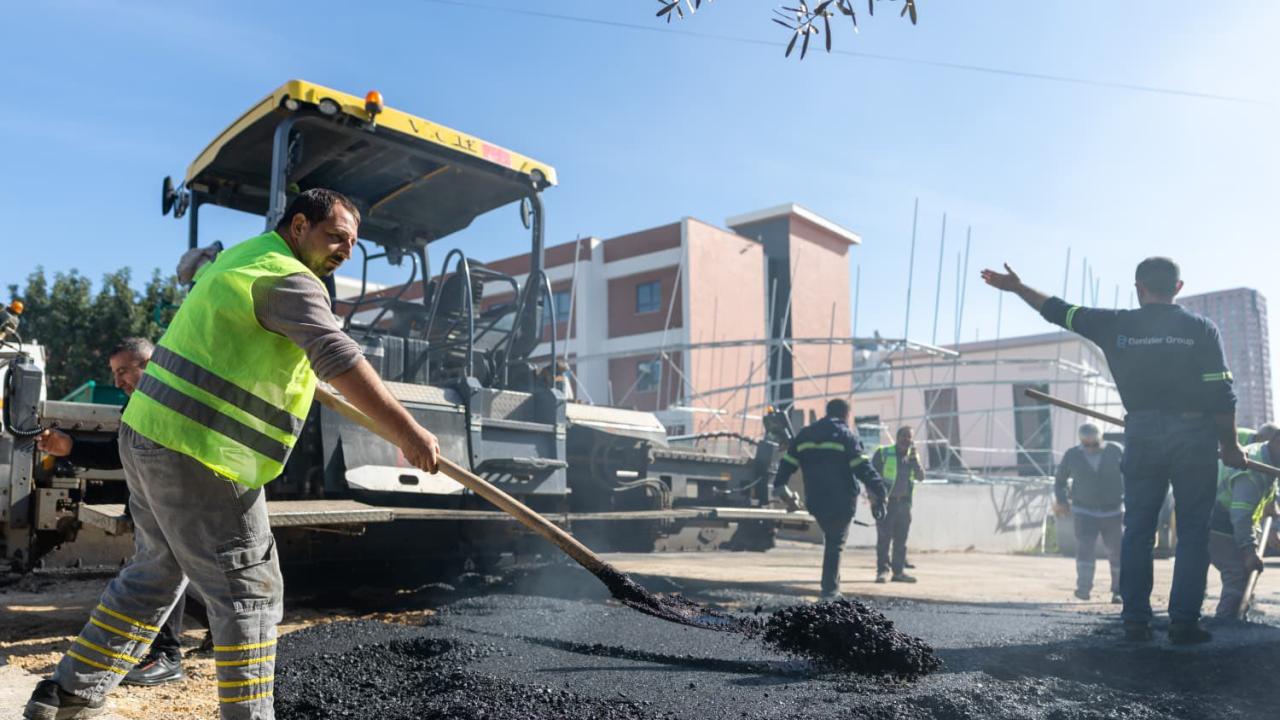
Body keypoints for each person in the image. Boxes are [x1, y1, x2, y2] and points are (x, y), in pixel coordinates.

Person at [25, 189, 443, 720]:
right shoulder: (289, 279)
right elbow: (338, 355)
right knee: (250, 594)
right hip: (203, 453)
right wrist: (407, 432)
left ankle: (67, 693)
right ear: (298, 225)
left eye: (353, 243)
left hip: (148, 436)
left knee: (155, 574)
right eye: (336, 236)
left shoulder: (240, 260)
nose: (345, 250)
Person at [982, 257, 1244, 645]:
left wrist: (1019, 288)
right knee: (1191, 531)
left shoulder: (1116, 324)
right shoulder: (1201, 329)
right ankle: (1184, 623)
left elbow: (1059, 310)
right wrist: (1230, 444)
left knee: (1137, 529)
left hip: (1140, 432)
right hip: (1194, 434)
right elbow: (1220, 392)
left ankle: (1136, 621)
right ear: (1178, 287)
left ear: (1138, 288)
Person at [37, 338, 198, 686]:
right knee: (177, 573)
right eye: (115, 373)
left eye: (125, 370)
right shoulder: (138, 405)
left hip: (174, 504)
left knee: (165, 572)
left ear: (151, 365)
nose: (118, 381)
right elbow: (119, 454)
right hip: (152, 506)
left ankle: (168, 655)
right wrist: (70, 448)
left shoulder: (173, 401)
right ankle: (179, 646)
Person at [774, 398, 888, 600]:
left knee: (832, 541)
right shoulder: (846, 435)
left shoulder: (805, 434)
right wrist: (880, 491)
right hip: (841, 499)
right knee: (835, 543)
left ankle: (832, 587)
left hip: (816, 500)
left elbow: (787, 463)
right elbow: (863, 468)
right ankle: (830, 592)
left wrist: (780, 485)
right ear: (845, 414)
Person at [1208, 434, 1278, 618]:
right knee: (1237, 572)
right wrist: (1249, 551)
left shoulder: (1267, 457)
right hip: (1215, 520)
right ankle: (1227, 623)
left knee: (1244, 572)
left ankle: (1238, 617)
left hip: (1222, 517)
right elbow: (1241, 516)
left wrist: (1271, 504)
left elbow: (1268, 485)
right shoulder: (1252, 470)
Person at [1054, 423, 1125, 603]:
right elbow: (1060, 480)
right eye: (1087, 445)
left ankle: (1119, 590)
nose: (1091, 449)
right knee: (1085, 549)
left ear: (1101, 439)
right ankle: (1083, 588)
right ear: (1081, 442)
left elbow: (1132, 475)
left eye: (1095, 444)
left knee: (1117, 552)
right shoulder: (1072, 455)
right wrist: (1062, 500)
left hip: (1113, 511)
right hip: (1084, 511)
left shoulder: (1115, 451)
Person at [871, 427, 924, 584]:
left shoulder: (912, 456)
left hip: (904, 503)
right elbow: (871, 477)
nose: (906, 439)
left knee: (901, 540)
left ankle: (898, 572)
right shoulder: (883, 453)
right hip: (887, 503)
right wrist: (874, 500)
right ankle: (882, 572)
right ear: (897, 437)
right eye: (903, 436)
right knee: (884, 539)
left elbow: (921, 477)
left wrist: (915, 462)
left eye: (909, 437)